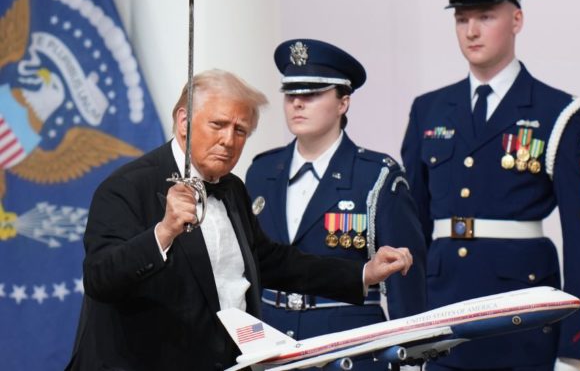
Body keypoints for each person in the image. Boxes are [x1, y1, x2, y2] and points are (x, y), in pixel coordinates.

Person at [66, 69, 413, 371]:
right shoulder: (126, 187)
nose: (228, 141)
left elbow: (270, 260)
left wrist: (362, 273)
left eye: (241, 130)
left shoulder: (231, 188)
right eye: (217, 124)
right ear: (184, 122)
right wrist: (163, 232)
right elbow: (100, 277)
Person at [401, 0, 580, 371]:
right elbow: (410, 229)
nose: (471, 31)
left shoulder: (559, 112)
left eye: (486, 16)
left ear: (517, 20)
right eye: (461, 19)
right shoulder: (429, 110)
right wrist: (404, 330)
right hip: (440, 317)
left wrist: (574, 347)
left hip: (521, 320)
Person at [245, 39, 427, 369]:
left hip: (348, 346)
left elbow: (404, 274)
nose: (297, 103)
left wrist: (412, 354)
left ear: (343, 102)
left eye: (312, 93)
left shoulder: (377, 176)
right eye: (291, 94)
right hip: (270, 345)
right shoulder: (260, 172)